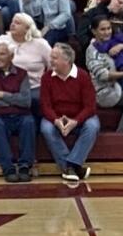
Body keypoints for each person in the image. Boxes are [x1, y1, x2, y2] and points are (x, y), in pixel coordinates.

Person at [39, 42, 98, 182]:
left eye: (54, 58)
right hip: (56, 116)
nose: (50, 61)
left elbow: (90, 106)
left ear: (67, 60)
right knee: (46, 128)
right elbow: (45, 106)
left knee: (93, 125)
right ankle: (73, 166)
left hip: (79, 117)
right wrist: (56, 120)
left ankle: (69, 165)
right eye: (51, 57)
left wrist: (75, 121)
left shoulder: (83, 76)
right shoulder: (46, 77)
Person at [0, 42, 35, 182]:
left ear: (11, 56)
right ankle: (8, 169)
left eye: (2, 54)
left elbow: (26, 102)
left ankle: (25, 167)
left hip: (20, 115)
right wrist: (14, 99)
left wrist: (3, 95)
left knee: (29, 122)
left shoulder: (22, 74)